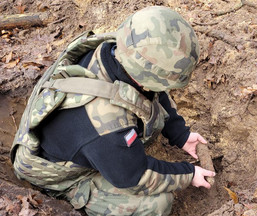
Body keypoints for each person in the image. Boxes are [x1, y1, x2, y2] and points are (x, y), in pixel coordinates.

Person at [11, 6, 215, 215]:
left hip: (82, 138)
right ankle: (69, 194)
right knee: (156, 205)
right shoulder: (105, 124)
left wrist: (181, 134)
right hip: (57, 172)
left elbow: (154, 89)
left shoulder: (120, 51)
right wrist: (188, 173)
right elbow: (132, 177)